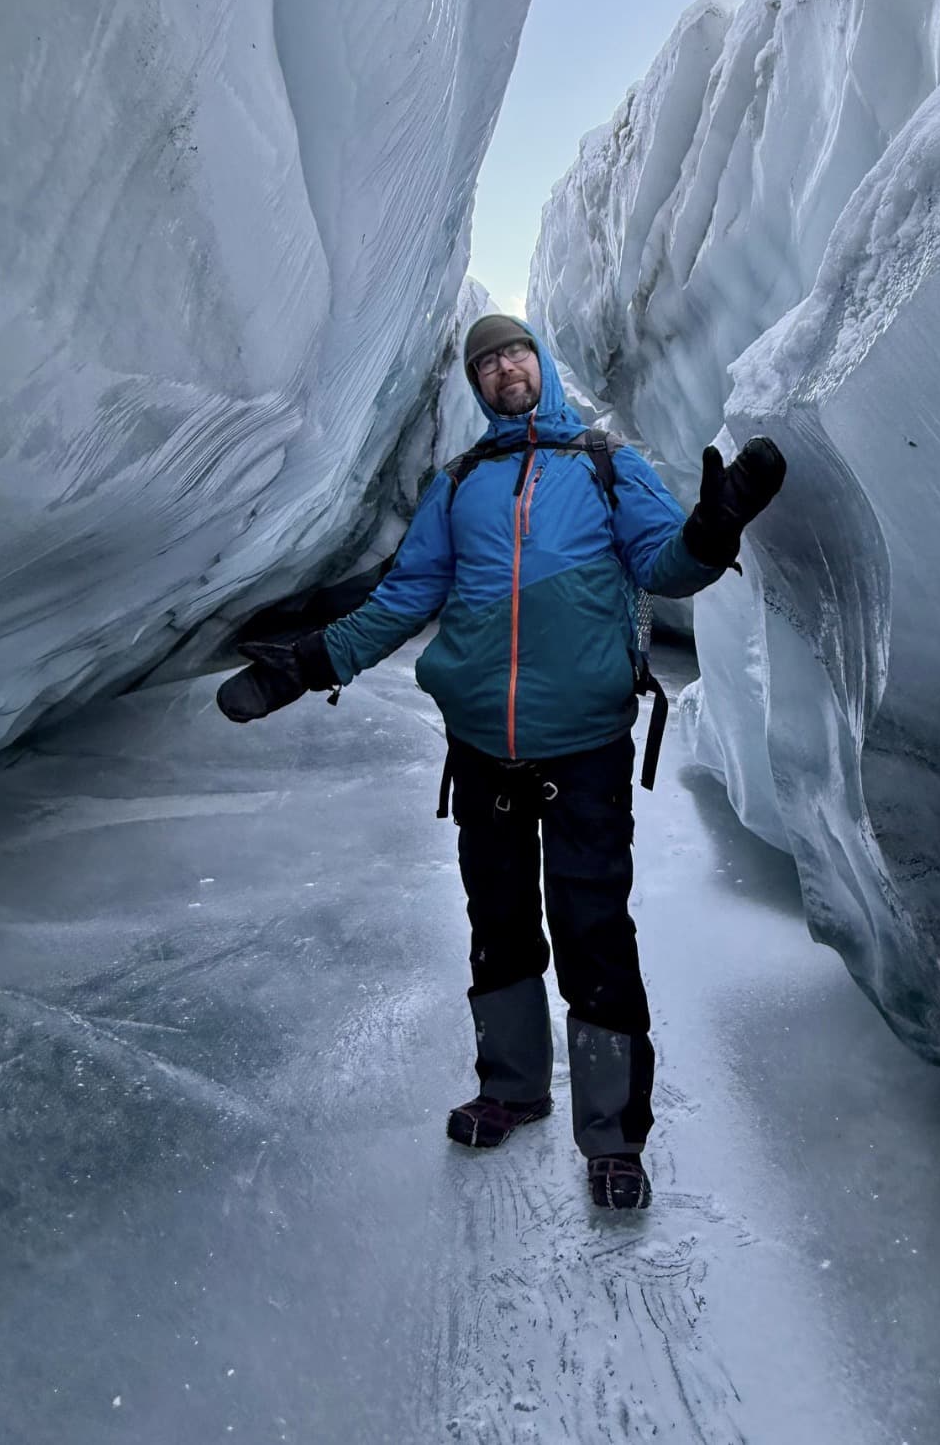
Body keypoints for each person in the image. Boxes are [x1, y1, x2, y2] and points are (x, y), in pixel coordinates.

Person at [217, 315, 785, 1210]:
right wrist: (315, 660)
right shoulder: (457, 485)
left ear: (541, 366)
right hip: (483, 749)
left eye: (513, 352)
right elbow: (405, 594)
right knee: (501, 923)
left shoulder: (604, 465)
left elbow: (664, 565)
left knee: (595, 931)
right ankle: (514, 1086)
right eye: (485, 362)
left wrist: (713, 532)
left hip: (586, 746)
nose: (502, 368)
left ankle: (611, 1133)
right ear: (476, 385)